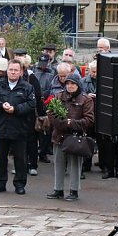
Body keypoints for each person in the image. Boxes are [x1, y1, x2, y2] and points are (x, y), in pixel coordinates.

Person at [0, 59, 36, 195]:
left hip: (19, 128)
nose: (13, 72)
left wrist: (16, 109)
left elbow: (31, 105)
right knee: (0, 158)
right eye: (11, 69)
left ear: (21, 72)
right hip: (1, 127)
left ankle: (20, 184)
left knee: (20, 159)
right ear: (7, 70)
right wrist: (1, 106)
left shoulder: (27, 87)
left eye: (16, 70)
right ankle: (0, 183)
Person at [46, 72, 95, 202]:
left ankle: (74, 190)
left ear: (78, 84)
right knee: (58, 163)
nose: (70, 86)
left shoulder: (86, 99)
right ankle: (58, 189)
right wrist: (61, 123)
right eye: (67, 83)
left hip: (75, 137)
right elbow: (51, 114)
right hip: (59, 135)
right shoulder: (58, 96)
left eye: (72, 83)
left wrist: (71, 123)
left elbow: (89, 120)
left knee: (75, 165)